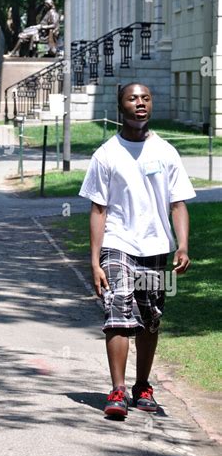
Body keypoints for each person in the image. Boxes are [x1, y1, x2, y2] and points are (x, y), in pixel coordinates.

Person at [79, 83, 196, 418]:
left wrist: (183, 244)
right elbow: (98, 209)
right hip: (118, 245)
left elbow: (178, 203)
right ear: (121, 107)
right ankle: (117, 390)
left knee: (150, 319)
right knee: (117, 310)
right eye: (132, 98)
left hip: (157, 248)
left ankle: (142, 386)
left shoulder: (166, 151)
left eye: (146, 98)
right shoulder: (106, 154)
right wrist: (94, 260)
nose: (140, 103)